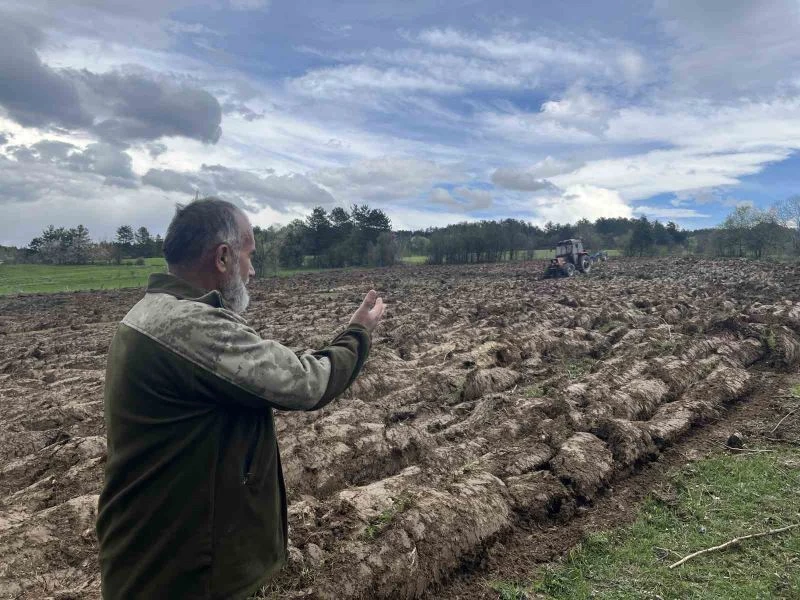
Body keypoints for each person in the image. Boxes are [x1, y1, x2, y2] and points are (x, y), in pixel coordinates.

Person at [96, 197, 384, 599]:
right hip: (183, 572)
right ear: (223, 257)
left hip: (158, 552)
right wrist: (358, 333)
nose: (253, 270)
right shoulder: (189, 326)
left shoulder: (150, 313)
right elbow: (306, 383)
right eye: (249, 256)